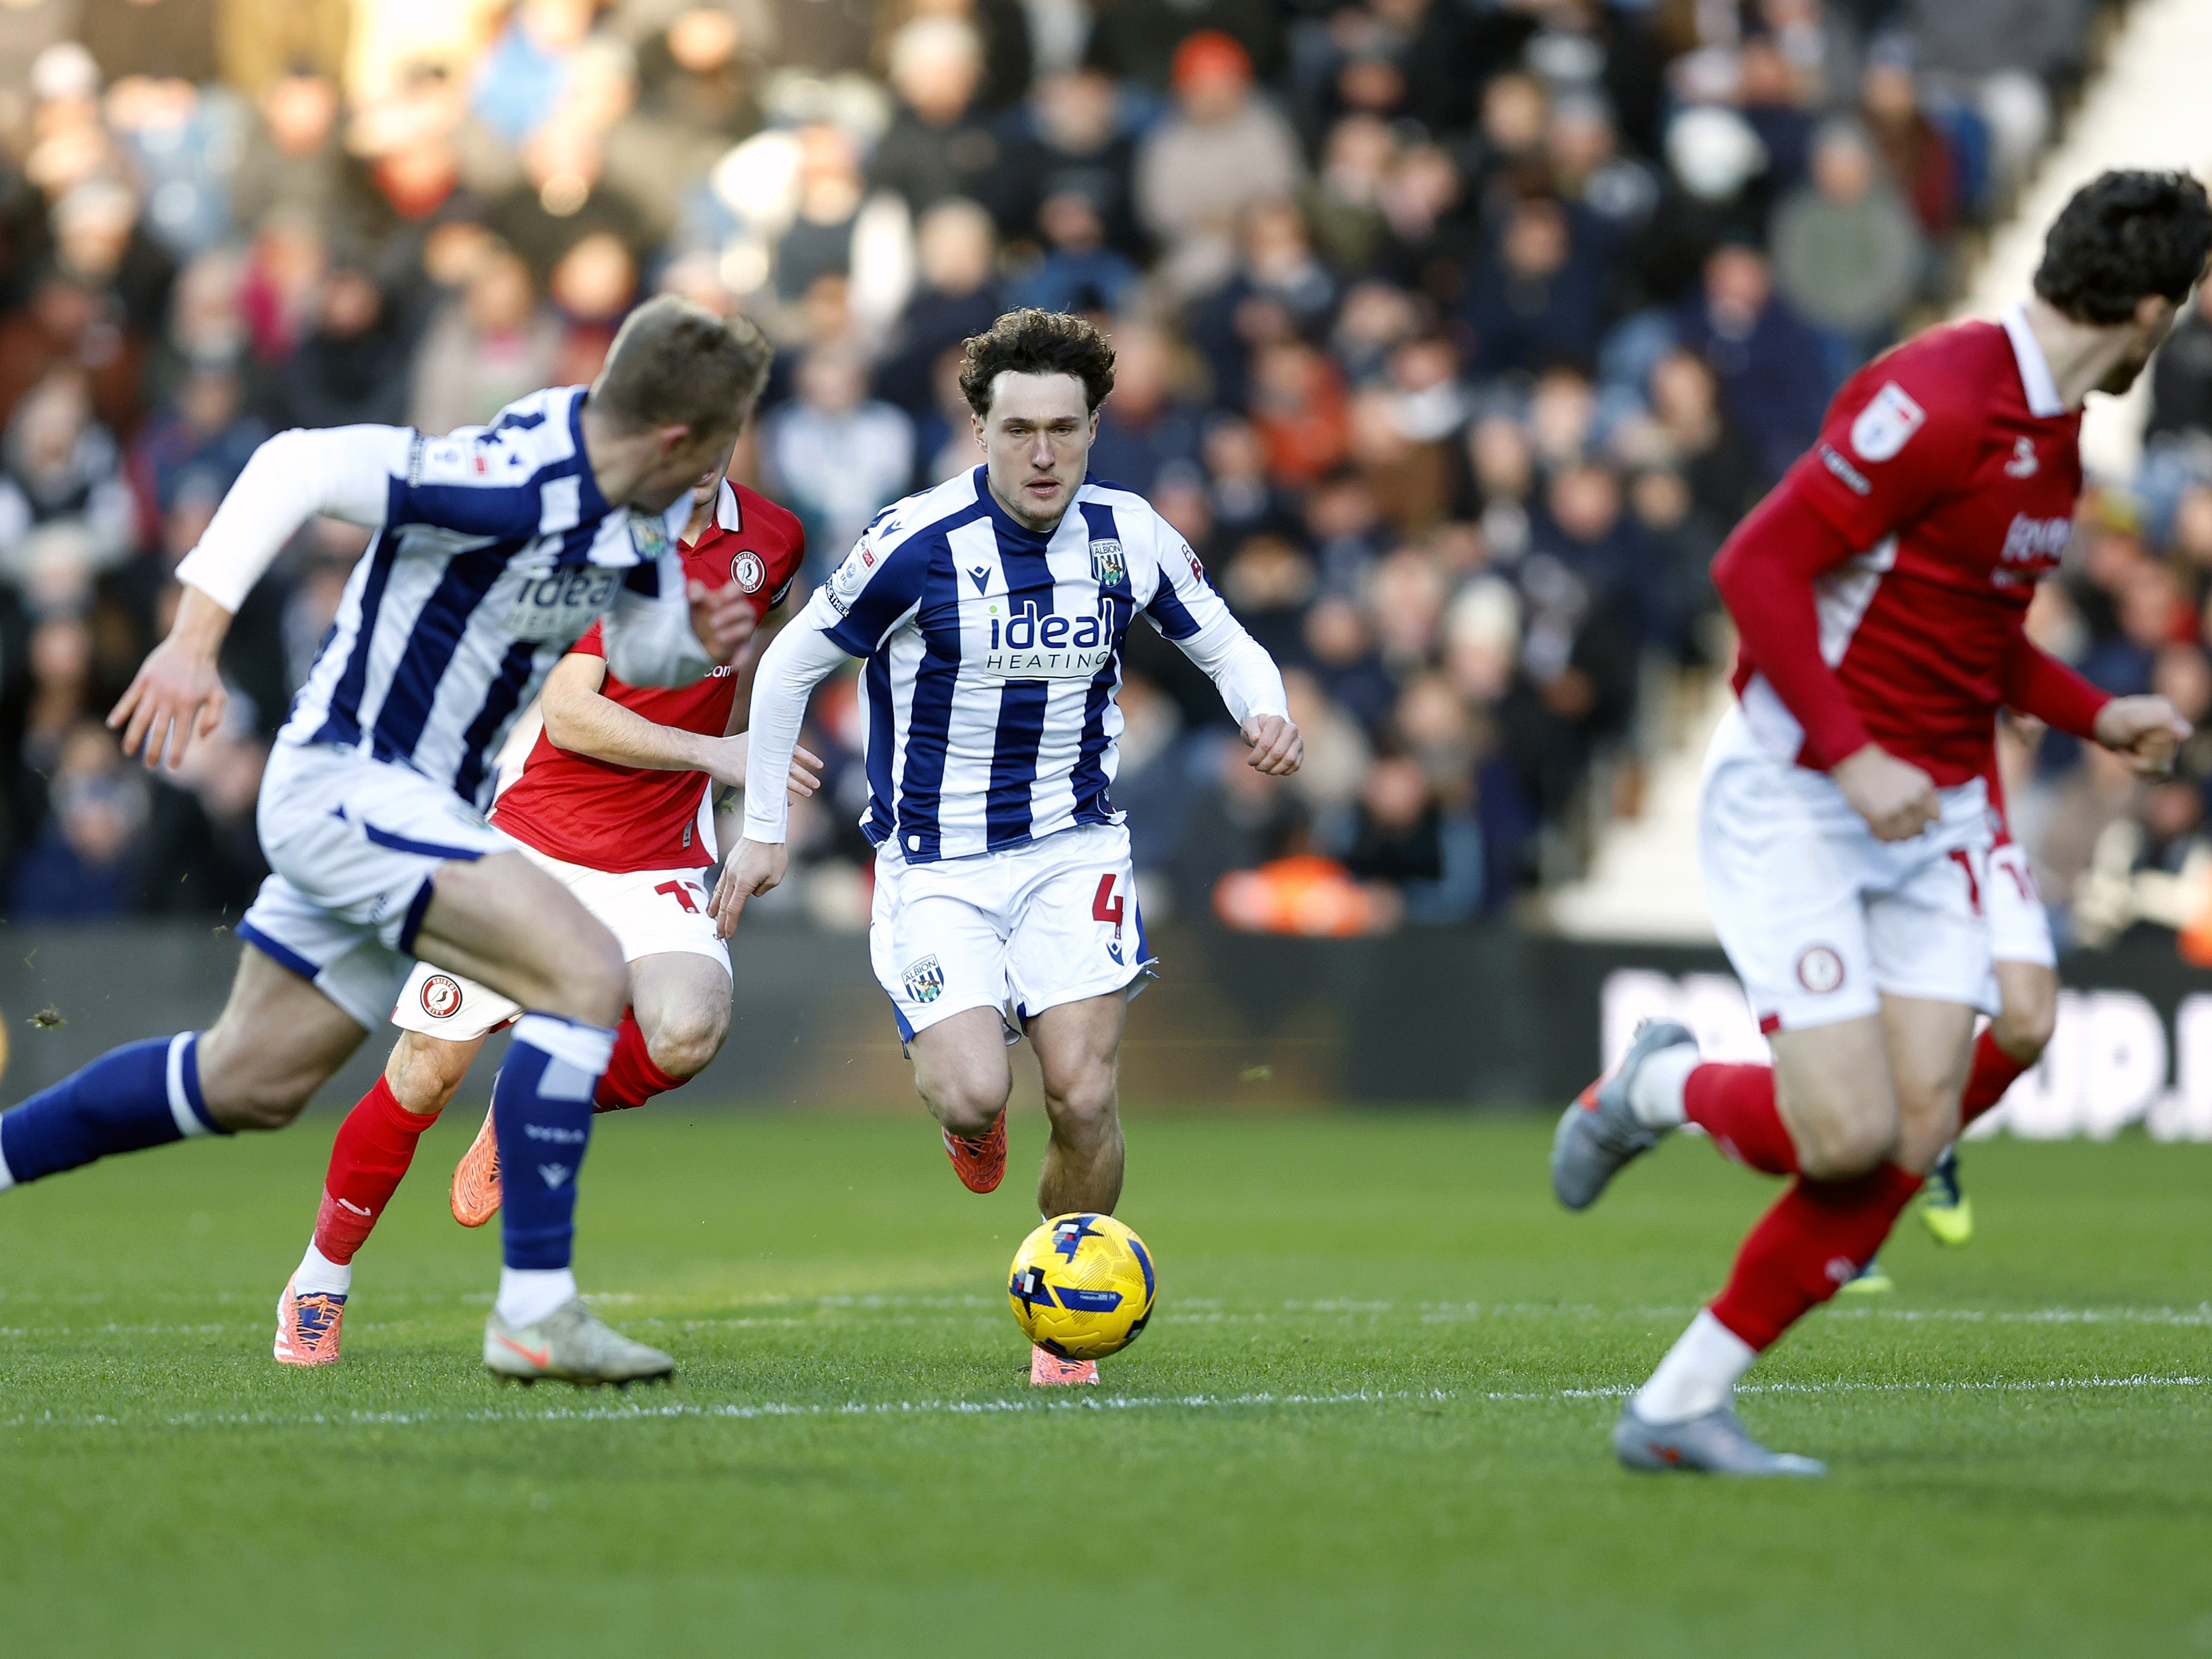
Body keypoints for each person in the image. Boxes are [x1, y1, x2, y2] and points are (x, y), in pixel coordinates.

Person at [1549, 171, 2212, 1475]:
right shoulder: (1940, 396)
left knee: (1995, 1044)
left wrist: (2092, 713)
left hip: (1939, 792)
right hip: (1805, 788)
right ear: (2148, 306)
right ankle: (1657, 1086)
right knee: (1855, 1137)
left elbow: (1970, 637)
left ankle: (1679, 1403)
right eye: (2182, 307)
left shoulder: (2057, 428)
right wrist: (1849, 760)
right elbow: (1754, 564)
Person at [0, 295, 772, 1387]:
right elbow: (293, 466)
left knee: (249, 1079)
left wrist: (690, 637)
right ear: (675, 436)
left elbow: (641, 634)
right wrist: (190, 642)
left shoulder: (633, 514)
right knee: (583, 971)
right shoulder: (513, 472)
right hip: (352, 779)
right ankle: (535, 1310)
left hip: (416, 814)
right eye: (722, 436)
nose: (726, 466)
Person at [715, 308, 1303, 1385]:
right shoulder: (913, 543)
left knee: (1083, 1096)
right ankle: (970, 1122)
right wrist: (763, 832)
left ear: (1093, 429)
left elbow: (1229, 645)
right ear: (979, 428)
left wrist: (1264, 710)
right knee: (975, 1092)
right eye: (1019, 427)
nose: (1043, 453)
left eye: (1065, 429)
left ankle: (1063, 1329)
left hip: (1073, 849)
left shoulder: (1132, 534)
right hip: (934, 864)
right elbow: (792, 666)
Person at [272, 459, 815, 1366]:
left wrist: (751, 797)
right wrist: (716, 753)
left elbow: (779, 653)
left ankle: (523, 1103)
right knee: (424, 1073)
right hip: (536, 845)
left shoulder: (773, 534)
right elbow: (569, 715)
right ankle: (319, 1279)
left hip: (661, 855)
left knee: (687, 1030)